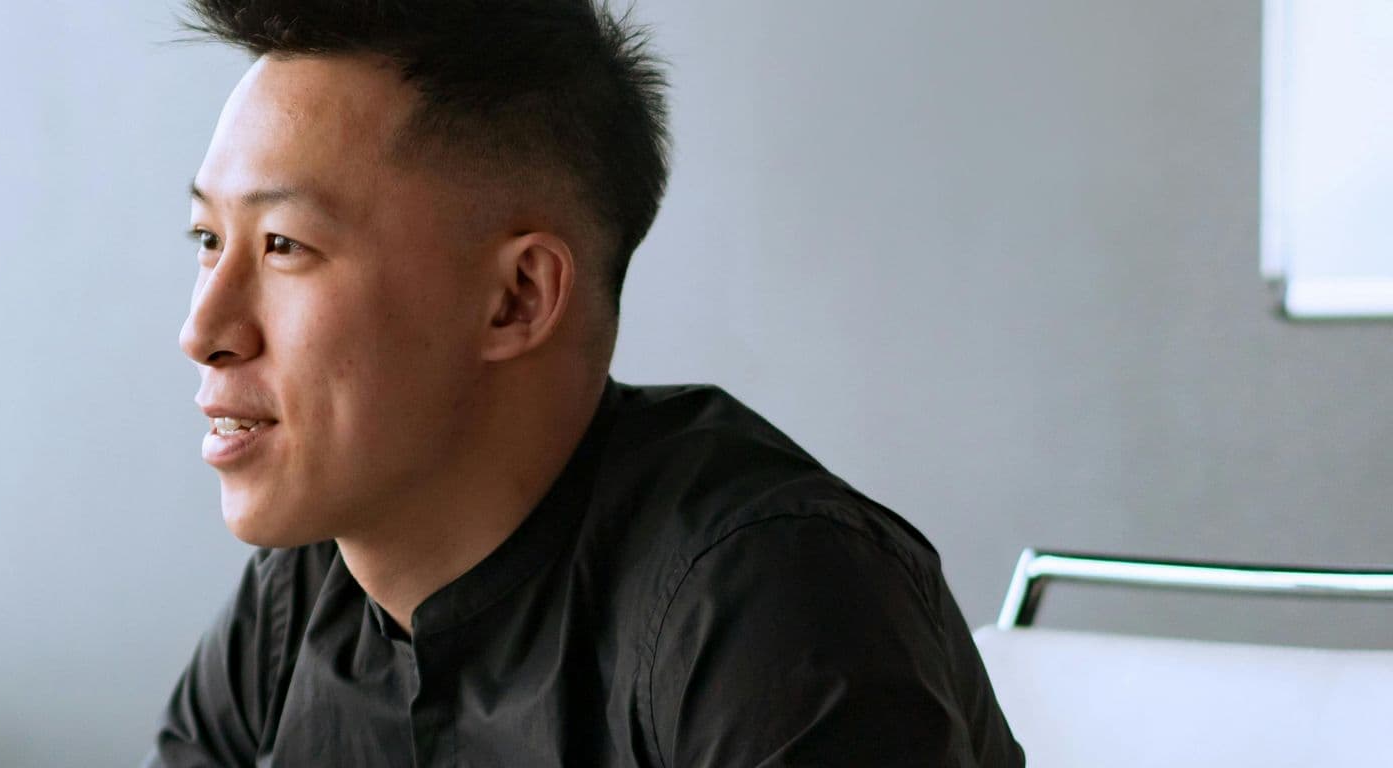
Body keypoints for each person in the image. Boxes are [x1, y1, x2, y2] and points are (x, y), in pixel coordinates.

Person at [150, 0, 1026, 764]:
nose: (204, 331)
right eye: (207, 241)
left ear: (516, 298)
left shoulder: (769, 605)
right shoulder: (302, 594)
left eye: (283, 247)